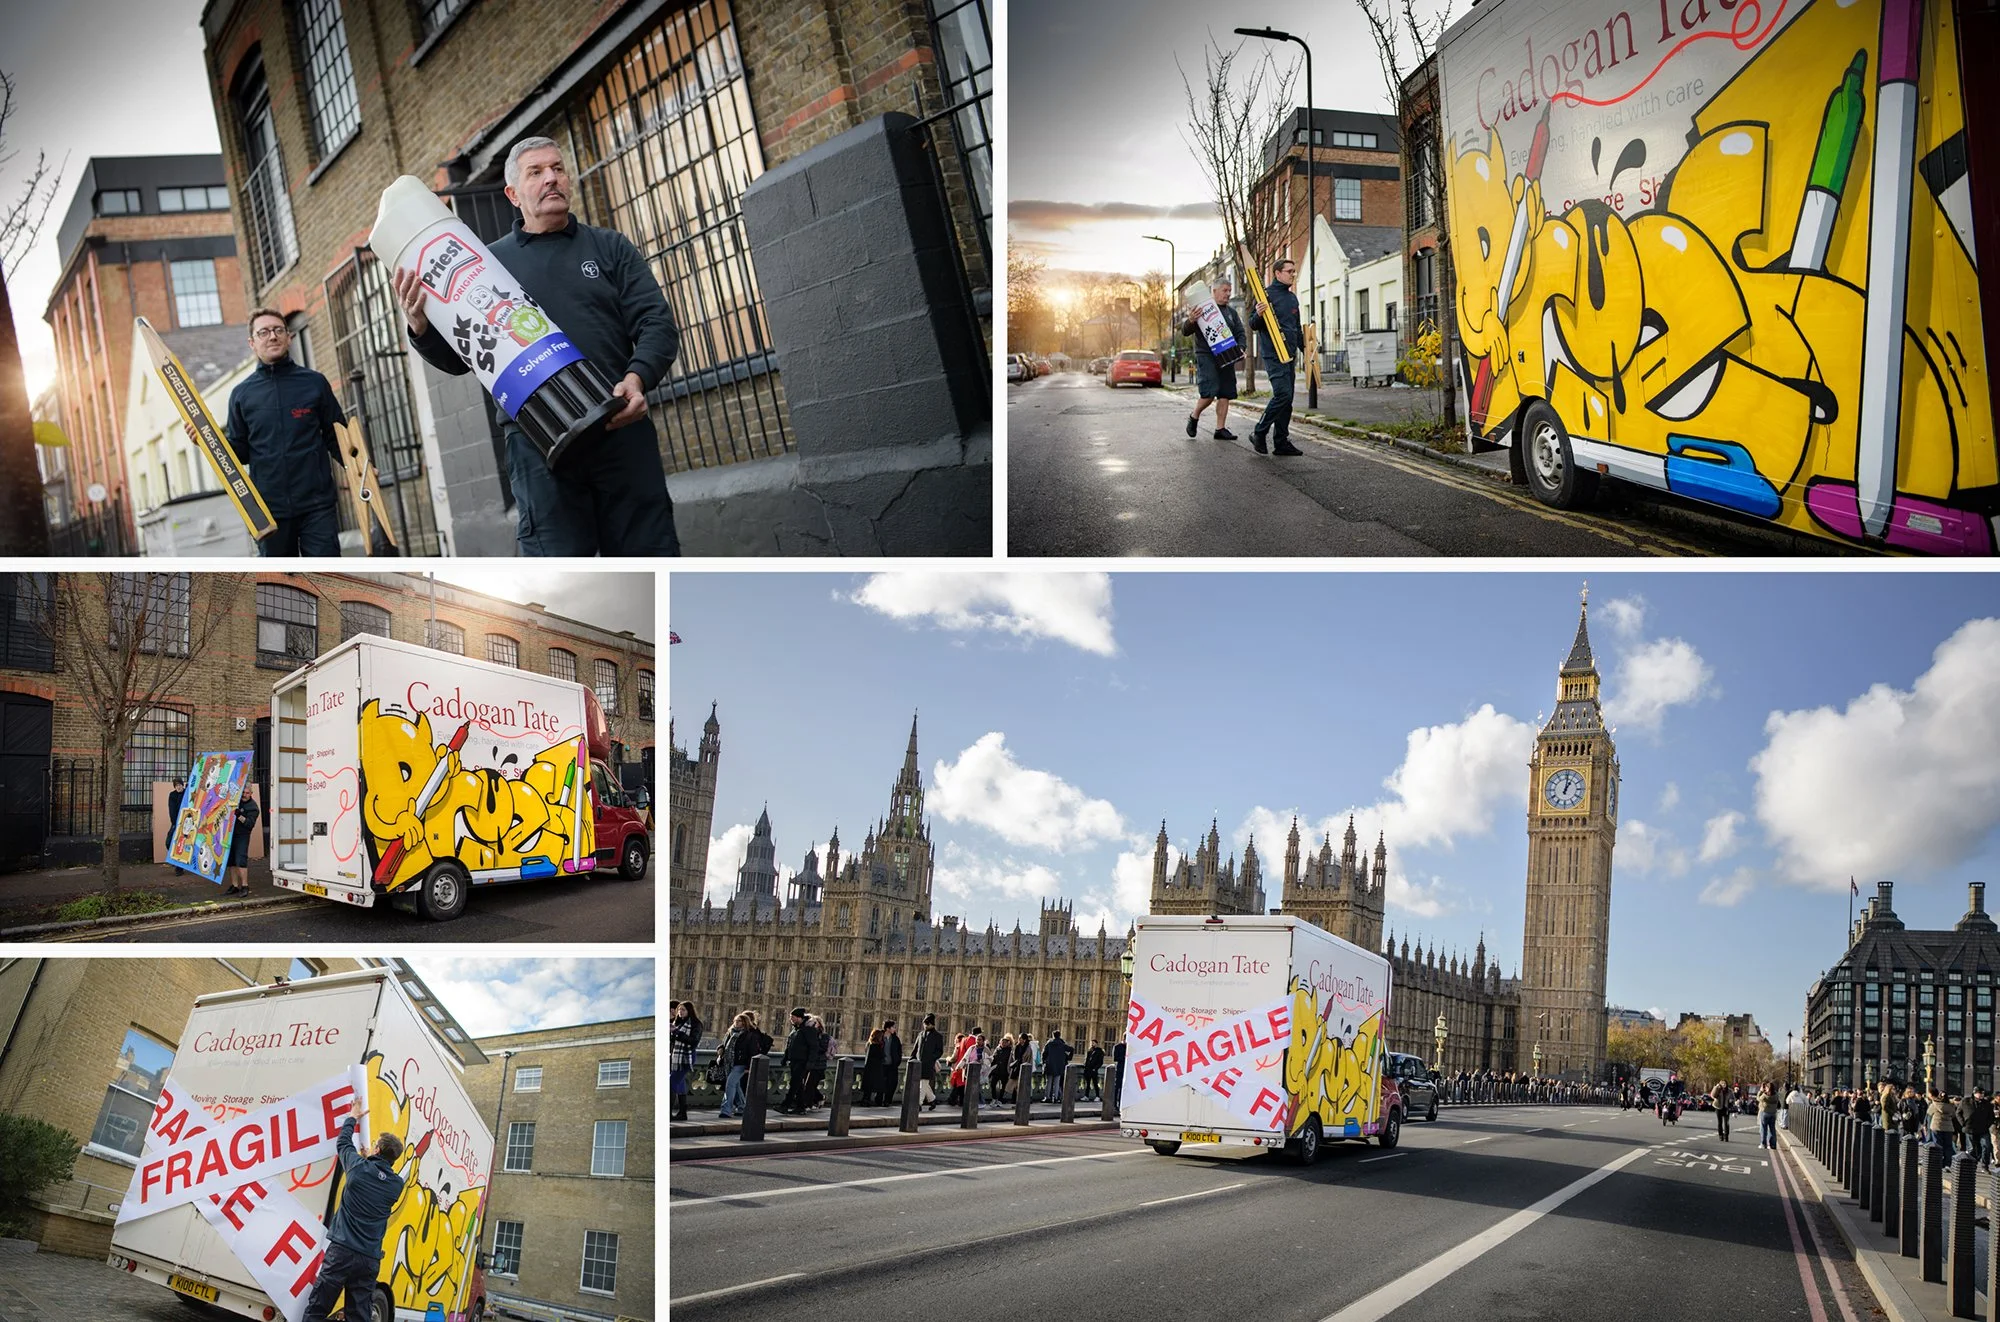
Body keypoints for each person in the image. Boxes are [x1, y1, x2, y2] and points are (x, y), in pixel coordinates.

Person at [393, 137, 681, 556]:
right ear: (512, 194)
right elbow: (461, 359)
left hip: (619, 425)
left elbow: (657, 323)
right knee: (556, 564)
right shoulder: (487, 264)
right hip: (536, 444)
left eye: (558, 169)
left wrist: (637, 380)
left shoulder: (610, 247)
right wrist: (420, 327)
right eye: (536, 172)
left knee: (647, 555)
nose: (552, 179)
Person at [219, 308, 348, 556]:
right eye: (264, 332)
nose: (273, 336)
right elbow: (240, 452)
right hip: (269, 513)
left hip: (317, 505)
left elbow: (338, 436)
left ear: (289, 337)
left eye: (279, 330)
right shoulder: (241, 395)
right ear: (252, 343)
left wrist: (362, 470)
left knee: (326, 574)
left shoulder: (314, 383)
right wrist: (207, 441)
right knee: (280, 581)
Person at [300, 1106, 405, 1322]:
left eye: (376, 1144)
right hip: (369, 1258)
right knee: (358, 1315)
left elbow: (343, 1143)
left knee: (319, 1306)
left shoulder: (358, 1169)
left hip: (342, 1252)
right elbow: (379, 1178)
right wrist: (371, 1161)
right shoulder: (396, 1185)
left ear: (377, 1150)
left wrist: (352, 1118)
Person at [1249, 259, 1305, 457]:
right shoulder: (1265, 296)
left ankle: (1280, 442)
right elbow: (1253, 324)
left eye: (1294, 271)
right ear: (1277, 273)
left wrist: (1307, 350)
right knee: (1282, 394)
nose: (1293, 274)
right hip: (1273, 355)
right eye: (1289, 271)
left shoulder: (1292, 299)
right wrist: (1258, 314)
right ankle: (1259, 431)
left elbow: (1296, 328)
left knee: (1287, 399)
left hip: (1290, 355)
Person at [1183, 279, 1248, 440]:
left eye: (1229, 290)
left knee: (1225, 392)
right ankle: (1194, 416)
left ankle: (1220, 429)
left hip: (1227, 354)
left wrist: (1241, 347)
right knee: (1209, 393)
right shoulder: (1202, 309)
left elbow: (1240, 333)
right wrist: (1191, 320)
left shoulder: (1232, 313)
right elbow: (1185, 331)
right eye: (1225, 290)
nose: (1228, 294)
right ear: (1214, 291)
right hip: (1206, 355)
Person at [717, 1010, 770, 1120]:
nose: (736, 1023)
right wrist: (720, 1049)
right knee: (735, 1086)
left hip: (740, 1064)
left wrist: (749, 1067)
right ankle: (742, 1107)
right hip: (729, 1062)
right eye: (735, 1021)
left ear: (744, 1023)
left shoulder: (749, 1035)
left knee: (730, 1084)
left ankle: (726, 1110)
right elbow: (723, 1045)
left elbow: (753, 1052)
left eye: (739, 1021)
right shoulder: (730, 1033)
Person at [668, 1001, 703, 1122]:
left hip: (686, 1058)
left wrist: (676, 1032)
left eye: (683, 1010)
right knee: (680, 1086)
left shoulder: (696, 1024)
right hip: (675, 1058)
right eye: (679, 1010)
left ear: (689, 1011)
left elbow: (693, 1042)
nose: (680, 1012)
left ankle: (667, 1114)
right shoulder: (676, 1022)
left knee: (670, 1083)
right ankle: (683, 1113)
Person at [224, 790, 259, 896]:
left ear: (251, 793)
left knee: (241, 860)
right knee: (231, 861)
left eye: (247, 793)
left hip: (242, 836)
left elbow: (250, 824)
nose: (244, 795)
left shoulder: (253, 807)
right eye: (243, 792)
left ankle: (245, 886)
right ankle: (234, 886)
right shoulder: (237, 801)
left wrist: (239, 816)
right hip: (231, 834)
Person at [781, 1007, 815, 1113]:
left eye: (793, 1017)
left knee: (794, 1083)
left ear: (799, 1018)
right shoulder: (795, 1030)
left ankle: (785, 1105)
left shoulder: (808, 1030)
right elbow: (789, 1045)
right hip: (794, 1061)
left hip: (802, 1061)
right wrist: (785, 1058)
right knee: (798, 1085)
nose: (791, 1019)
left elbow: (814, 1047)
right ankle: (800, 1107)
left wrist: (810, 1062)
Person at [917, 1014, 945, 1111]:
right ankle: (932, 1099)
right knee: (924, 1084)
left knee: (923, 1083)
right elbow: (916, 1048)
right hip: (919, 1063)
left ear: (931, 1024)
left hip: (929, 1064)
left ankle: (918, 1103)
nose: (924, 1026)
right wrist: (912, 1058)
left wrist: (931, 1058)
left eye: (926, 1024)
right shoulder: (920, 1034)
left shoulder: (938, 1036)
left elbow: (940, 1051)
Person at [1042, 1030, 1073, 1103]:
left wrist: (1044, 1062)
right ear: (1059, 1035)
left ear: (1053, 1035)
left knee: (1048, 1082)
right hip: (1059, 1066)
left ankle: (1047, 1098)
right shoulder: (1062, 1044)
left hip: (1049, 1065)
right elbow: (1071, 1049)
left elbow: (1044, 1054)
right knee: (1057, 1082)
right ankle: (1055, 1098)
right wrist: (1068, 1057)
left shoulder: (1049, 1043)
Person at [861, 1027, 889, 1106]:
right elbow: (880, 1056)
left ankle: (866, 1100)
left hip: (869, 1068)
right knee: (879, 1086)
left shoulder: (869, 1044)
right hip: (876, 1068)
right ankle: (876, 1101)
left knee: (869, 1087)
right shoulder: (876, 1046)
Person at [1967, 1088, 1994, 1169]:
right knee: (1972, 1148)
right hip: (1970, 1128)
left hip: (1983, 1129)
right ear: (1974, 1093)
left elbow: (1991, 1117)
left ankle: (1985, 1165)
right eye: (1979, 1093)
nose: (1981, 1095)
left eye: (1983, 1093)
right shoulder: (1966, 1102)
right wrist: (1964, 1123)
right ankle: (1972, 1165)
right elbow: (1958, 1112)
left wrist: (1987, 1125)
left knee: (1986, 1145)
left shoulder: (1987, 1104)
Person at [882, 1019, 904, 1106]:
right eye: (893, 1027)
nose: (895, 1029)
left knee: (892, 1083)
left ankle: (888, 1100)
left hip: (892, 1065)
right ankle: (879, 1100)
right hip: (882, 1065)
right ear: (888, 1028)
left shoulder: (895, 1039)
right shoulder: (880, 1037)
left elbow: (899, 1051)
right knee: (882, 1083)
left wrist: (897, 1061)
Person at [990, 1035, 1014, 1106]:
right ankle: (994, 1098)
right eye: (1002, 1042)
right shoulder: (997, 1049)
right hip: (996, 1070)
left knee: (1004, 1086)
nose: (1003, 1043)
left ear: (1008, 1043)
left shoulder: (1010, 1051)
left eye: (1005, 1042)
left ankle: (1000, 1099)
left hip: (1005, 1071)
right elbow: (993, 1059)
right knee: (993, 1084)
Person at [1758, 1082, 1782, 1148]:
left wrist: (1761, 1090)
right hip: (1773, 1113)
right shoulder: (1776, 1095)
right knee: (1772, 1129)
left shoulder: (1765, 1095)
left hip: (1765, 1112)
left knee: (1764, 1129)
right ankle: (1773, 1145)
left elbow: (1758, 1098)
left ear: (1767, 1088)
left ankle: (1763, 1144)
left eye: (1766, 1087)